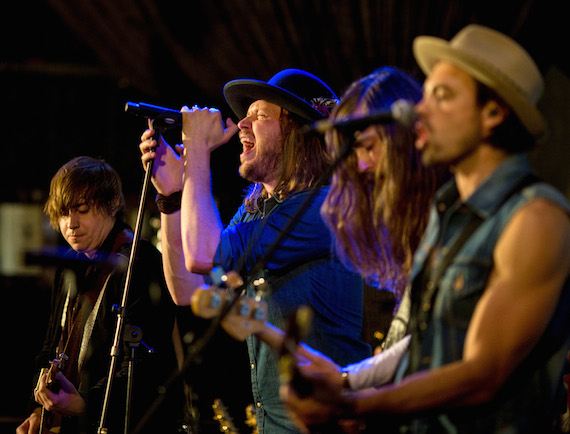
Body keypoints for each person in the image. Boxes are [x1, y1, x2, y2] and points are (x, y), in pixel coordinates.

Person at [280, 24, 570, 433]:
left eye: (443, 95)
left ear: (492, 114)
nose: (421, 109)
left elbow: (482, 375)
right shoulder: (445, 213)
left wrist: (355, 403)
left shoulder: (536, 218)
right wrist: (349, 390)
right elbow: (422, 348)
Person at [139, 68, 371, 433]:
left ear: (298, 132)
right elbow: (187, 289)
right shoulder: (257, 207)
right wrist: (171, 197)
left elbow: (203, 254)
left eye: (260, 115)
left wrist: (197, 150)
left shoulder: (325, 208)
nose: (242, 123)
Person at [17, 156, 186, 434]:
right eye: (63, 213)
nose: (70, 223)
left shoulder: (139, 260)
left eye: (82, 210)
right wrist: (39, 409)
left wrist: (86, 404)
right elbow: (51, 346)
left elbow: (148, 366)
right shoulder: (70, 263)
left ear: (112, 204)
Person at [320, 66, 444, 352]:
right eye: (354, 152)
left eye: (368, 146)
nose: (361, 165)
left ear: (405, 139)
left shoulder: (445, 219)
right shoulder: (406, 229)